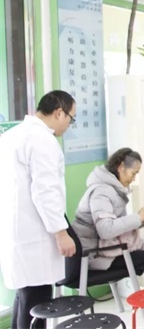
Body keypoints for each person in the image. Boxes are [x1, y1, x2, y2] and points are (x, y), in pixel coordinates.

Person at [72, 148, 144, 326]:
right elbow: (106, 230)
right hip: (94, 255)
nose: (134, 178)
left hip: (104, 248)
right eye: (133, 173)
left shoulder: (109, 189)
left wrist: (140, 221)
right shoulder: (102, 192)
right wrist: (137, 217)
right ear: (121, 167)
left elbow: (114, 226)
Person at [0, 91, 77, 329]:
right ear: (59, 113)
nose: (69, 124)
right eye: (71, 118)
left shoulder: (11, 136)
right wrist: (61, 232)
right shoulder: (42, 140)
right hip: (34, 237)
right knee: (37, 305)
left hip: (17, 234)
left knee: (24, 298)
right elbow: (46, 192)